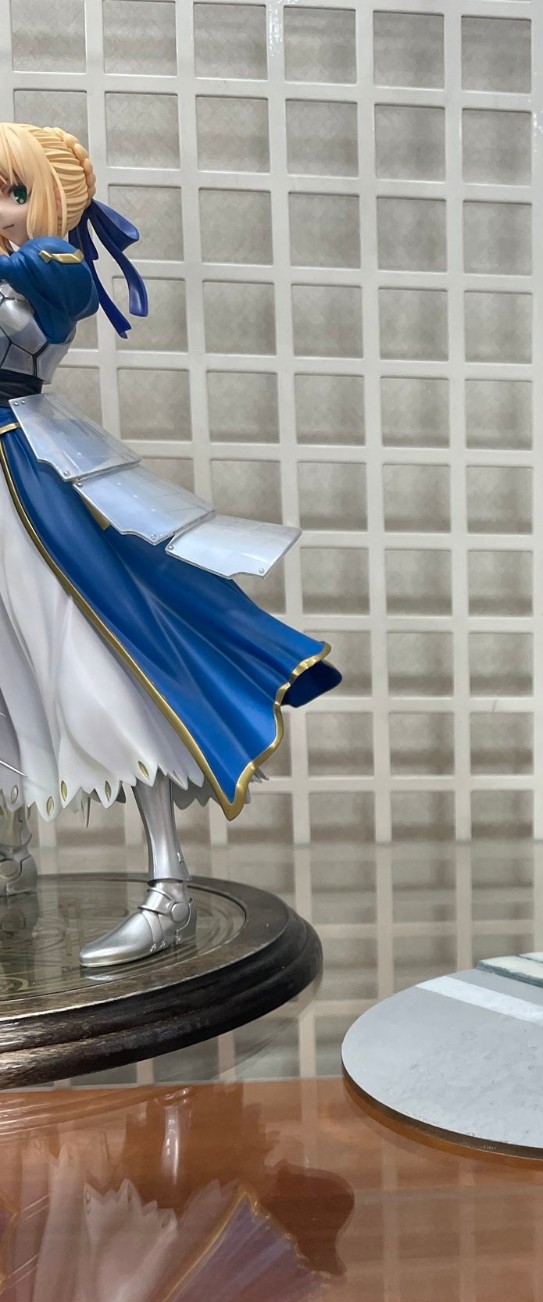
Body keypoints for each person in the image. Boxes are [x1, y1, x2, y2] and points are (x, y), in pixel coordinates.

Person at [0, 123, 338, 965]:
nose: (2, 206)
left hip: (25, 476)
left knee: (102, 665)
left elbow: (50, 302)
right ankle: (11, 853)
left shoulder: (50, 265)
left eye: (14, 191)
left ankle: (169, 887)